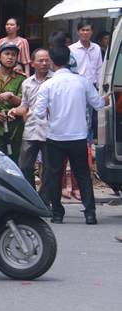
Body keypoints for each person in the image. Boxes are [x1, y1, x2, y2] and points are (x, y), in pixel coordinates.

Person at [34, 44, 110, 225]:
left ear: (51, 61)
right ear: (69, 61)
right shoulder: (82, 81)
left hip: (56, 137)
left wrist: (50, 111)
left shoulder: (48, 85)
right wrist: (106, 98)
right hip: (78, 137)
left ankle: (58, 213)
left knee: (54, 174)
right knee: (83, 174)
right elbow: (98, 104)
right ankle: (90, 214)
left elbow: (37, 113)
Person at [8, 48, 52, 205]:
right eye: (40, 60)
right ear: (32, 63)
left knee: (48, 169)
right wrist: (14, 110)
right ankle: (32, 198)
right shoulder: (27, 83)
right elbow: (25, 106)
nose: (44, 63)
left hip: (50, 131)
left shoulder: (55, 81)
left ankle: (44, 200)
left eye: (47, 60)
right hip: (31, 129)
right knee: (25, 166)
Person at [0, 42, 25, 163]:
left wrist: (10, 95)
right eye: (7, 54)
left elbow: (22, 102)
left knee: (15, 159)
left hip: (14, 125)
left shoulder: (21, 78)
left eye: (13, 55)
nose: (10, 57)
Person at [69, 19, 103, 147]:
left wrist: (100, 88)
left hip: (92, 88)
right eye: (82, 30)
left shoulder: (96, 48)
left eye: (88, 30)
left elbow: (99, 68)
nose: (85, 32)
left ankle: (87, 149)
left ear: (92, 32)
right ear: (78, 32)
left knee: (90, 122)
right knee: (78, 119)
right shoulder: (72, 49)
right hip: (77, 89)